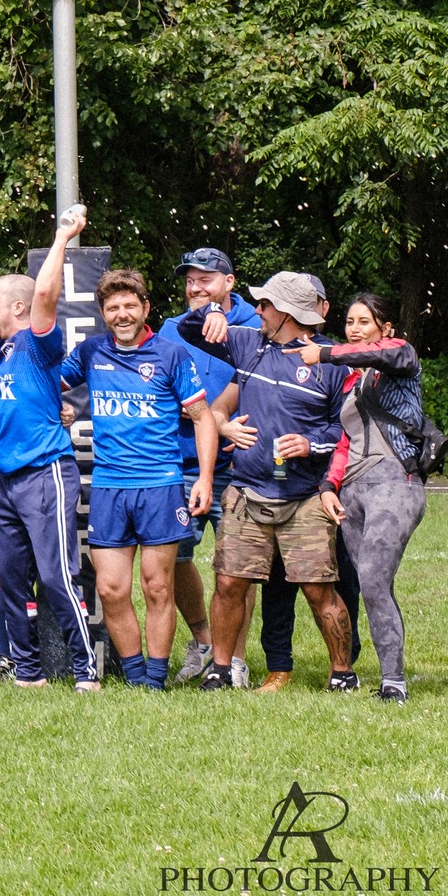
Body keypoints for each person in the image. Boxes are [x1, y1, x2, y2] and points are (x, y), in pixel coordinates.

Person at [176, 272, 357, 692]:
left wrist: (310, 443)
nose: (257, 310)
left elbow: (344, 430)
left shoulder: (330, 361)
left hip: (305, 497)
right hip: (247, 489)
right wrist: (211, 312)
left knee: (318, 589)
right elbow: (187, 329)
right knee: (229, 582)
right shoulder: (249, 344)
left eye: (266, 305)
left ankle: (343, 673)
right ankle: (222, 670)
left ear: (288, 313)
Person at [58, 268, 216, 690]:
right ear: (103, 314)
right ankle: (133, 676)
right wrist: (61, 408)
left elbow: (203, 420)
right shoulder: (90, 352)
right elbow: (46, 382)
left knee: (158, 587)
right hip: (109, 487)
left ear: (145, 308)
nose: (122, 314)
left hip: (161, 485)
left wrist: (202, 478)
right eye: (113, 308)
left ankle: (155, 680)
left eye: (130, 306)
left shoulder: (170, 354)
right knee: (110, 589)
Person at [0, 208, 98, 689]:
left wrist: (62, 236)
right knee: (13, 581)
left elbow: (46, 292)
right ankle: (28, 672)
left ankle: (86, 668)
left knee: (56, 577)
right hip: (4, 481)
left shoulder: (36, 344)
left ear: (18, 308)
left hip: (44, 473)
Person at [307, 293, 428, 701]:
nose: (354, 328)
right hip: (353, 492)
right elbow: (345, 441)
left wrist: (323, 353)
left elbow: (388, 355)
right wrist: (328, 487)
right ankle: (383, 676)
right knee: (366, 582)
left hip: (396, 485)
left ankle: (394, 682)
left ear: (385, 328)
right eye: (350, 321)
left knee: (375, 580)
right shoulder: (356, 380)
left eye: (364, 322)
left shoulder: (401, 355)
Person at [166, 247, 263, 684]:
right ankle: (204, 640)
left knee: (237, 569)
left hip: (238, 466)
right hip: (180, 459)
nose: (195, 287)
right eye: (189, 279)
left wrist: (216, 420)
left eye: (205, 278)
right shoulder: (171, 329)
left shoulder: (258, 326)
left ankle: (234, 658)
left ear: (229, 281)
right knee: (172, 559)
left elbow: (265, 388)